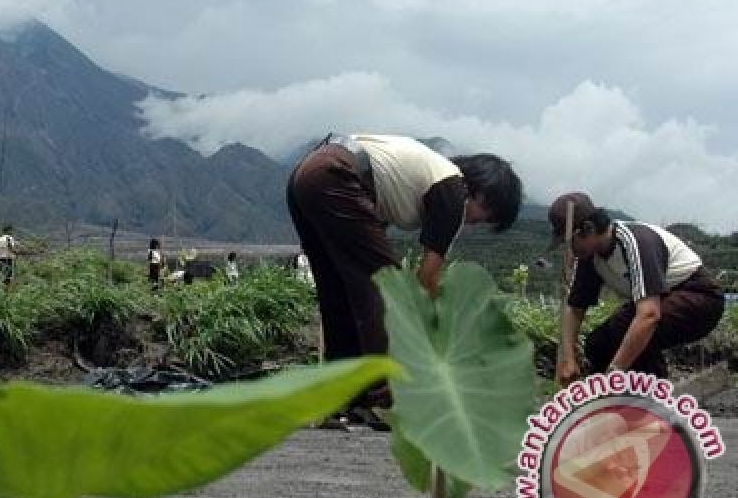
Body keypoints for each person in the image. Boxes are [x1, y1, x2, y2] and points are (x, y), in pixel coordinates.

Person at [285, 133, 522, 430]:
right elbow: (426, 281)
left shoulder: (419, 178)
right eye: (486, 216)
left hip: (307, 174)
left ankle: (341, 399)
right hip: (335, 174)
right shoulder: (453, 191)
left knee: (342, 295)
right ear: (482, 193)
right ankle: (386, 399)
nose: (477, 225)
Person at [550, 193, 725, 383]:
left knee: (627, 328)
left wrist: (615, 373)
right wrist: (568, 358)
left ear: (589, 229)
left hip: (700, 299)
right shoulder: (590, 257)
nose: (570, 251)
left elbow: (649, 315)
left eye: (571, 243)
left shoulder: (636, 242)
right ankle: (615, 399)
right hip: (661, 301)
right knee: (597, 344)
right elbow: (575, 308)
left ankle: (650, 399)